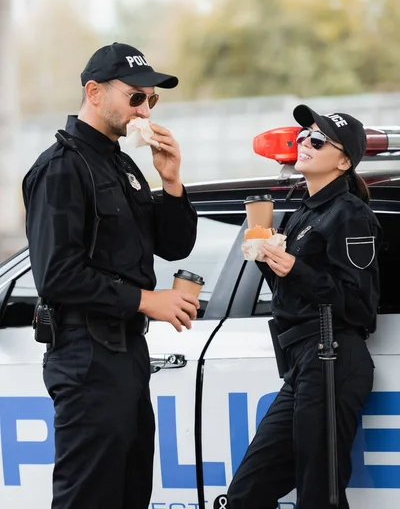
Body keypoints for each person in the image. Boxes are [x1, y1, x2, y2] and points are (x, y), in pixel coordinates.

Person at [22, 42, 199, 509]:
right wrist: (146, 300)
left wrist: (172, 182)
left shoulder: (122, 163)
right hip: (85, 357)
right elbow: (57, 276)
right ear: (95, 92)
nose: (145, 107)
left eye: (151, 99)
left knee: (130, 491)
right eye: (136, 97)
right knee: (90, 497)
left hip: (127, 353)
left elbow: (174, 245)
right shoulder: (61, 167)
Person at [227, 105, 381, 509]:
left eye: (317, 140)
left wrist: (297, 269)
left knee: (319, 494)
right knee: (245, 492)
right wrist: (267, 258)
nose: (304, 143)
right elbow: (291, 293)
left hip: (332, 358)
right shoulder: (303, 212)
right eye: (302, 137)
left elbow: (361, 307)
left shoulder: (349, 214)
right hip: (303, 363)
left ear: (344, 161)